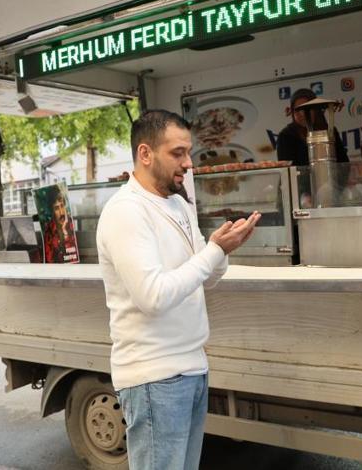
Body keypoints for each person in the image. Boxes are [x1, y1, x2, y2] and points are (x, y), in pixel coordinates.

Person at [97, 109, 261, 470]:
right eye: (177, 153)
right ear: (145, 154)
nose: (188, 163)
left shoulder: (179, 202)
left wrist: (221, 250)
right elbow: (153, 297)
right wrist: (213, 252)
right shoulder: (126, 211)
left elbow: (205, 278)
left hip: (192, 368)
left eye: (189, 152)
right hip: (155, 377)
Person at [276, 88, 349, 166]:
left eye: (307, 109)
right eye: (297, 110)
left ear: (316, 110)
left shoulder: (330, 131)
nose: (302, 114)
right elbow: (287, 171)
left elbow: (344, 163)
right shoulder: (286, 136)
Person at [41, 187, 78, 263]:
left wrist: (65, 233)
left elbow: (73, 259)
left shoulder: (70, 224)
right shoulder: (49, 230)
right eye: (57, 208)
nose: (61, 212)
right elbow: (49, 260)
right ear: (52, 211)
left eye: (62, 206)